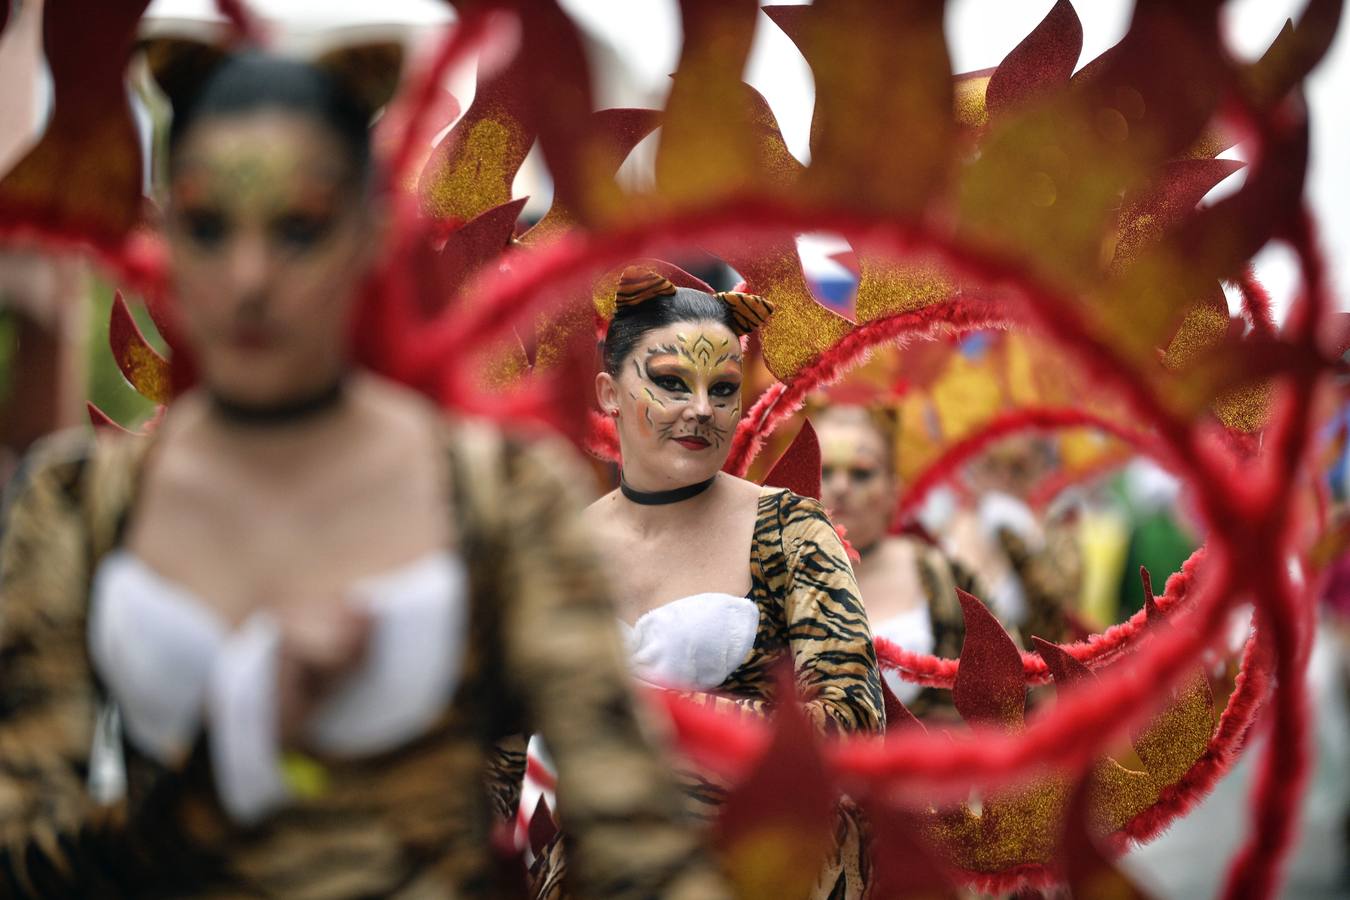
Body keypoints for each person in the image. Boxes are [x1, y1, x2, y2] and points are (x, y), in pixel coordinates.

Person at [0, 47, 726, 899]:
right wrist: (232, 745)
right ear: (163, 235)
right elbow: (22, 852)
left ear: (370, 237)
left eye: (298, 228)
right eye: (208, 225)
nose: (250, 279)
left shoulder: (498, 495)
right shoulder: (76, 501)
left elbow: (636, 841)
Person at [527, 267, 884, 899]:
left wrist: (656, 711)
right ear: (609, 392)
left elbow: (853, 724)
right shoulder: (558, 549)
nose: (701, 410)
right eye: (670, 383)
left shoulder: (792, 532)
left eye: (722, 389)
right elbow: (493, 752)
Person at [816, 402, 965, 718]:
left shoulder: (940, 572)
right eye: (825, 471)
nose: (841, 487)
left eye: (861, 473)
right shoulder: (769, 570)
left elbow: (1006, 688)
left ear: (892, 490)